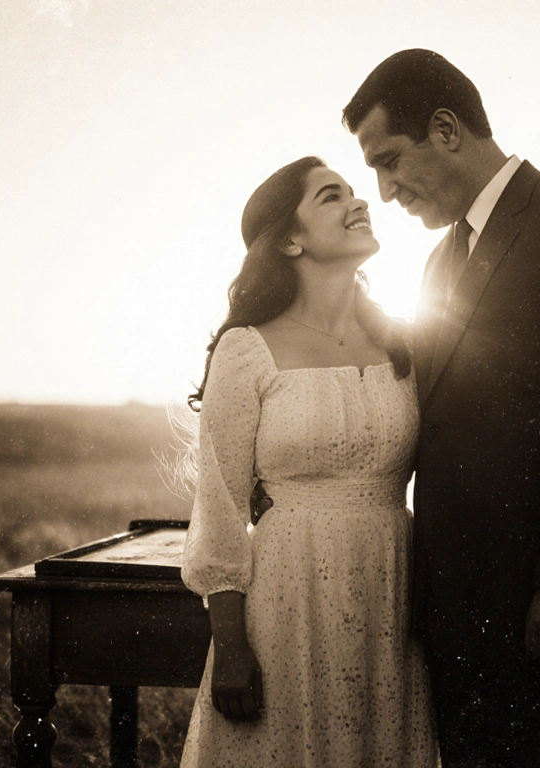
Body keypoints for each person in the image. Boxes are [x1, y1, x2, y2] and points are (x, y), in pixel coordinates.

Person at [342, 49, 540, 767]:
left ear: (446, 129)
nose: (384, 191)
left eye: (389, 160)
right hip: (461, 620)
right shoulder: (439, 260)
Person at [176, 156, 437, 768]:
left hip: (392, 593)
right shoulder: (247, 349)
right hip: (287, 600)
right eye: (330, 196)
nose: (358, 202)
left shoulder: (405, 343)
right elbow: (219, 509)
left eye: (352, 191)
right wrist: (231, 647)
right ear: (290, 240)